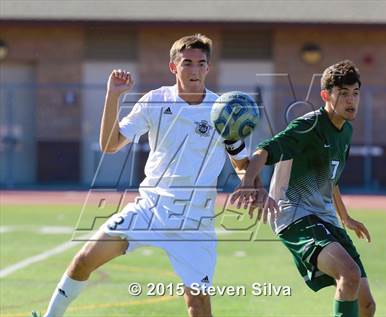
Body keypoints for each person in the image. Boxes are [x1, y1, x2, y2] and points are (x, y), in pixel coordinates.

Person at [32, 34, 252, 317]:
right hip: (150, 209)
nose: (194, 70)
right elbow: (109, 145)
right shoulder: (155, 101)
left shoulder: (222, 111)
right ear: (174, 67)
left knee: (198, 306)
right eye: (187, 63)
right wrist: (113, 95)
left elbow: (242, 163)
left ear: (208, 68)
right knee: (84, 260)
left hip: (195, 221)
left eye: (201, 63)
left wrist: (248, 183)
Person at [231, 60, 376, 317]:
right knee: (349, 274)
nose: (351, 100)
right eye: (343, 94)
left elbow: (330, 179)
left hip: (325, 216)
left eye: (355, 93)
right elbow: (263, 151)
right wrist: (246, 183)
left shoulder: (346, 131)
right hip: (294, 214)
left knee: (367, 306)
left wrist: (346, 218)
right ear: (325, 95)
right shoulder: (308, 126)